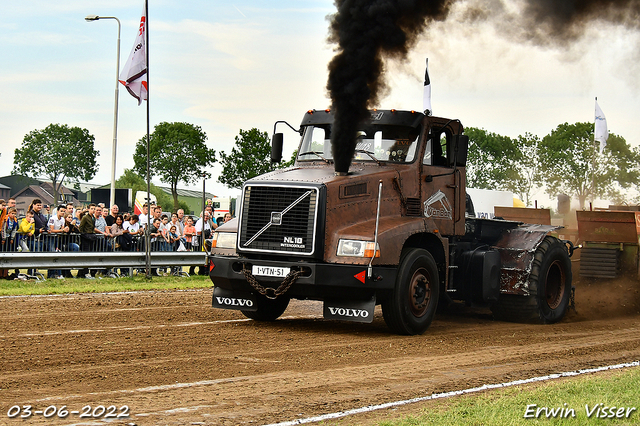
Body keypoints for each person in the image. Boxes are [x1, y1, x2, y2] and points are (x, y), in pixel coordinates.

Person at [46, 204, 68, 279]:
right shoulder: (53, 219)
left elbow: (62, 229)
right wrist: (62, 230)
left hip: (57, 238)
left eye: (64, 211)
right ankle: (50, 274)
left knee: (58, 254)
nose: (62, 213)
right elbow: (51, 230)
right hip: (50, 238)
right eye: (61, 211)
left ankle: (57, 273)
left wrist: (64, 230)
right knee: (52, 254)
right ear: (57, 211)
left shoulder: (62, 219)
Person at [78, 203, 96, 279]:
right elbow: (80, 228)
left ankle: (83, 273)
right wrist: (85, 234)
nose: (93, 210)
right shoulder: (85, 217)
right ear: (88, 209)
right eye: (92, 208)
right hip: (86, 237)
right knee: (85, 255)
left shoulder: (93, 218)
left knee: (91, 255)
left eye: (94, 209)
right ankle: (84, 272)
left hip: (91, 237)